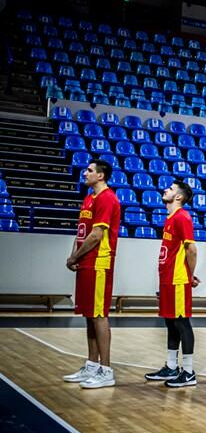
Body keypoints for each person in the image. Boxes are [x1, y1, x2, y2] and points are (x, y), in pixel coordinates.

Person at [62, 159, 121, 389]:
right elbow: (82, 232)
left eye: (89, 170)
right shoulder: (88, 199)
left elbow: (96, 235)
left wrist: (75, 257)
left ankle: (106, 370)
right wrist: (73, 255)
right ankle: (92, 365)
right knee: (89, 314)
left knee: (99, 314)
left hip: (99, 262)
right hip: (85, 261)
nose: (84, 173)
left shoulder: (107, 198)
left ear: (101, 175)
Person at [144, 180, 199, 388]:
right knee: (170, 321)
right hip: (167, 278)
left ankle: (188, 371)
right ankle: (170, 366)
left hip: (178, 279)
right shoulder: (170, 218)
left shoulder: (182, 217)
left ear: (178, 197)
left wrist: (190, 275)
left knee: (181, 322)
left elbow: (191, 249)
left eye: (170, 189)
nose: (165, 189)